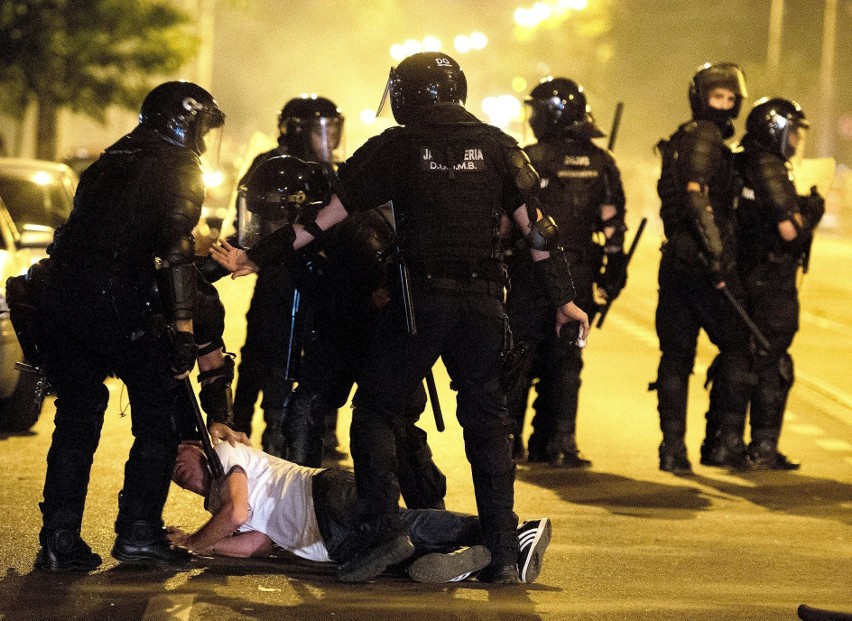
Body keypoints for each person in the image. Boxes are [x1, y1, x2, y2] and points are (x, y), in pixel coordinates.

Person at [211, 51, 589, 583]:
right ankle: (504, 552)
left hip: (421, 302)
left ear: (410, 95)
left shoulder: (396, 147)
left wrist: (257, 256)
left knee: (376, 413)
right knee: (487, 425)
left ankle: (383, 533)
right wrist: (564, 299)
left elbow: (321, 220)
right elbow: (539, 232)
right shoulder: (501, 146)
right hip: (484, 304)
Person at [32, 81, 246, 572]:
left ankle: (59, 538)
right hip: (116, 300)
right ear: (187, 122)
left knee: (78, 414)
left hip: (62, 299)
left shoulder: (109, 159)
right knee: (158, 415)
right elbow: (173, 253)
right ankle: (139, 532)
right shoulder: (179, 165)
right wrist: (184, 334)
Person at [235, 154, 447, 509]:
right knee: (302, 412)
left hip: (383, 340)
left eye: (270, 216)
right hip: (338, 336)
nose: (265, 226)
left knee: (394, 428)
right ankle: (302, 512)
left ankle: (427, 512)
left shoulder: (360, 233)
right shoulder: (297, 243)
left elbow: (396, 298)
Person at [169, 441, 552, 584]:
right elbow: (259, 543)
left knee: (403, 527)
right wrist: (210, 546)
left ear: (197, 447)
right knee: (406, 545)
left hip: (323, 497)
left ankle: (512, 533)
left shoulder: (223, 456)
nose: (176, 470)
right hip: (327, 541)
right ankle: (483, 557)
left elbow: (235, 513)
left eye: (178, 457)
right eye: (172, 475)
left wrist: (193, 542)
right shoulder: (220, 502)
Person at [505, 77, 627, 467]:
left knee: (520, 354)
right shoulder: (602, 161)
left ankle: (509, 439)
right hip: (579, 273)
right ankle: (559, 440)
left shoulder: (529, 158)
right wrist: (614, 271)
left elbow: (506, 221)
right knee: (567, 358)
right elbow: (612, 225)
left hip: (529, 272)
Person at [651, 62, 753, 473]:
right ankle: (724, 443)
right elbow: (695, 199)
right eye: (717, 97)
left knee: (676, 356)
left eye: (731, 99)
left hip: (677, 259)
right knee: (738, 347)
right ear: (701, 97)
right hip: (700, 262)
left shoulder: (683, 136)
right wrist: (716, 257)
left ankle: (673, 448)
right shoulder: (705, 139)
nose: (724, 107)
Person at [229, 96, 344, 456]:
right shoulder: (271, 166)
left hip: (321, 275)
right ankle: (253, 425)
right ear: (297, 130)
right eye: (322, 130)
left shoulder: (331, 171)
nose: (331, 137)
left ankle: (320, 430)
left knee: (323, 348)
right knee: (265, 351)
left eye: (333, 128)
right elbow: (248, 223)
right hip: (277, 272)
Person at [733, 97, 824, 469]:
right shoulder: (770, 165)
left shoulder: (741, 160)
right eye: (794, 132)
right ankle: (763, 447)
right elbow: (789, 231)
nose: (797, 142)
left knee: (738, 357)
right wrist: (811, 215)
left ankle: (725, 442)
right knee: (773, 362)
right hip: (770, 279)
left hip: (744, 274)